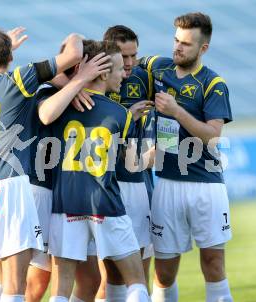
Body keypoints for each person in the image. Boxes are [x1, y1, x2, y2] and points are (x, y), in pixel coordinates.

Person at [0, 26, 84, 302]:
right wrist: (74, 35)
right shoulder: (17, 79)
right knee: (14, 284)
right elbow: (74, 53)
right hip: (9, 187)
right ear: (9, 55)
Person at [139, 12, 233, 302]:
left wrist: (177, 111)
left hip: (206, 185)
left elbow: (213, 136)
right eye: (176, 40)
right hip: (167, 183)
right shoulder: (158, 67)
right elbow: (125, 60)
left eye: (186, 44)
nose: (177, 48)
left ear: (202, 48)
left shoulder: (213, 84)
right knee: (164, 273)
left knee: (213, 265)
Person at [46, 40, 150, 302]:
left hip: (65, 202)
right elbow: (127, 164)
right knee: (137, 283)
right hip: (105, 201)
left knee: (61, 291)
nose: (123, 75)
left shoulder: (59, 104)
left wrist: (72, 84)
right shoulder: (121, 114)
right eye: (117, 70)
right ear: (102, 72)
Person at [26, 44, 113, 302]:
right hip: (44, 191)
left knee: (90, 280)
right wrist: (73, 84)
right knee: (37, 281)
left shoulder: (94, 99)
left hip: (74, 197)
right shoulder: (48, 90)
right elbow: (46, 114)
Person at [101, 25, 155, 299]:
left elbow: (165, 117)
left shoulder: (146, 77)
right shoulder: (94, 83)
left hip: (138, 182)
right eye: (125, 57)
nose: (131, 63)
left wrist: (160, 151)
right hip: (104, 184)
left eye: (135, 55)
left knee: (142, 272)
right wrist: (126, 116)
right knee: (106, 275)